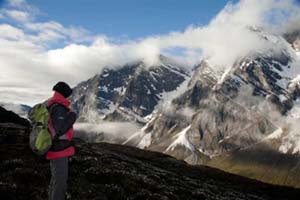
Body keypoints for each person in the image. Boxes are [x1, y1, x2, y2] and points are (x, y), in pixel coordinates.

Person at [47, 81, 77, 200]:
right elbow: (60, 129)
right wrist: (71, 118)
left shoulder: (53, 105)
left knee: (55, 180)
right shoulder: (59, 108)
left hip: (56, 148)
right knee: (60, 182)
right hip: (59, 150)